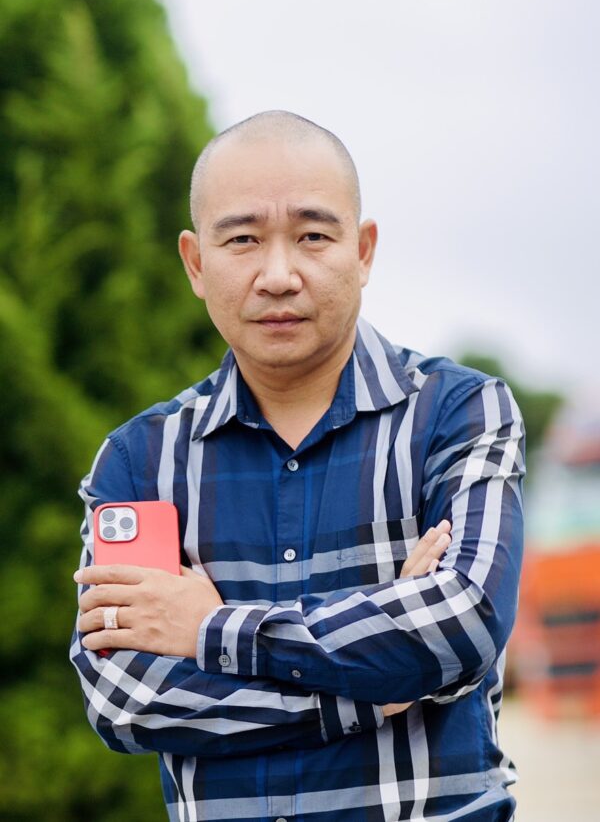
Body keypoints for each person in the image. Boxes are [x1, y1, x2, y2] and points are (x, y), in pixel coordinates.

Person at [70, 110, 525, 822]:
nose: (278, 276)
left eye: (313, 235)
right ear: (195, 263)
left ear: (363, 250)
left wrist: (212, 629)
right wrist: (377, 685)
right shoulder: (141, 460)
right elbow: (126, 698)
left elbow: (463, 622)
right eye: (242, 239)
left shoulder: (457, 415)